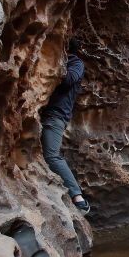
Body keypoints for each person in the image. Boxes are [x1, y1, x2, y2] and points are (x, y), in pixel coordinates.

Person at [41, 38, 90, 214]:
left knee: (52, 156)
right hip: (44, 113)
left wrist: (57, 65)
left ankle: (78, 196)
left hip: (56, 115)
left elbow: (69, 79)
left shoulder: (76, 63)